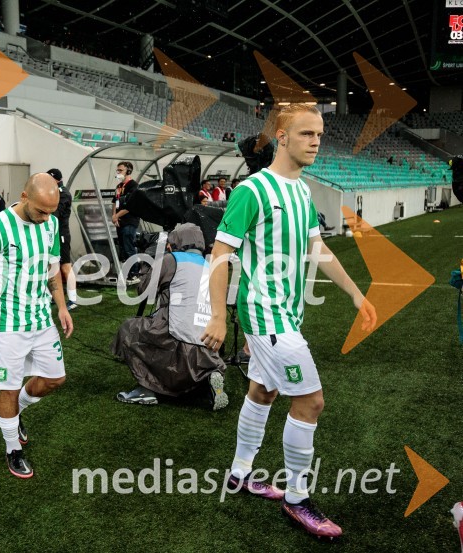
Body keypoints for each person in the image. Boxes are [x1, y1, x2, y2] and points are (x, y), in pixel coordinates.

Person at [201, 103, 378, 539]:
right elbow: (220, 255)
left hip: (287, 315)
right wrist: (220, 316)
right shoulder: (252, 191)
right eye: (306, 134)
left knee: (264, 391)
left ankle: (241, 472)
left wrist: (357, 295)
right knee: (311, 402)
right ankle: (298, 500)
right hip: (267, 317)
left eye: (319, 134)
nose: (316, 141)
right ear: (282, 137)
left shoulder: (302, 191)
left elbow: (318, 250)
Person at [0, 173, 73, 479]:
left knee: (56, 379)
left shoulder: (51, 223)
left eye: (51, 212)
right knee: (8, 390)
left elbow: (52, 270)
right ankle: (13, 448)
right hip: (7, 325)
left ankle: (18, 414)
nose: (46, 218)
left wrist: (62, 307)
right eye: (41, 210)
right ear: (25, 197)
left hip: (41, 319)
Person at [112, 224, 227, 409]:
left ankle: (148, 389)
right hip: (208, 348)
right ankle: (206, 382)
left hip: (178, 341)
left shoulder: (172, 259)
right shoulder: (210, 265)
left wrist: (148, 261)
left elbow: (144, 291)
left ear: (174, 242)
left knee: (129, 329)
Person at [47, 168, 77, 310]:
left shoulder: (63, 193)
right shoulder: (52, 192)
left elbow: (55, 215)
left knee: (65, 266)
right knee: (51, 267)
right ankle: (52, 296)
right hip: (52, 234)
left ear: (56, 180)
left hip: (61, 234)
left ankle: (73, 299)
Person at [111, 161, 140, 284]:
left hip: (130, 221)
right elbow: (114, 202)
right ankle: (126, 272)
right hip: (120, 221)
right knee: (123, 248)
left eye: (120, 170)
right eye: (117, 170)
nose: (118, 172)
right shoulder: (118, 187)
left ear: (128, 171)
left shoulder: (134, 186)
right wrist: (114, 216)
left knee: (129, 247)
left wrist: (117, 215)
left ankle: (134, 273)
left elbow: (131, 206)